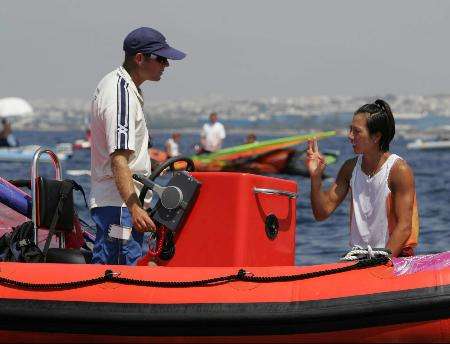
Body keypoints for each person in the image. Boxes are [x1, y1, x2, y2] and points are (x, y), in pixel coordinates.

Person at [89, 27, 186, 265]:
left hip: (121, 203)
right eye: (161, 58)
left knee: (122, 267)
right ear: (140, 58)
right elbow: (118, 159)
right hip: (120, 206)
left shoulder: (121, 86)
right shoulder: (121, 94)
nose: (166, 65)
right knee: (119, 274)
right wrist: (134, 208)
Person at [305, 99, 419, 257]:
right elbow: (321, 212)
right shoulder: (349, 168)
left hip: (393, 259)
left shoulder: (399, 170)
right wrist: (316, 176)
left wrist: (380, 263)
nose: (350, 136)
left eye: (356, 131)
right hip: (360, 258)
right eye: (350, 130)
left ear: (376, 137)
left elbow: (405, 226)